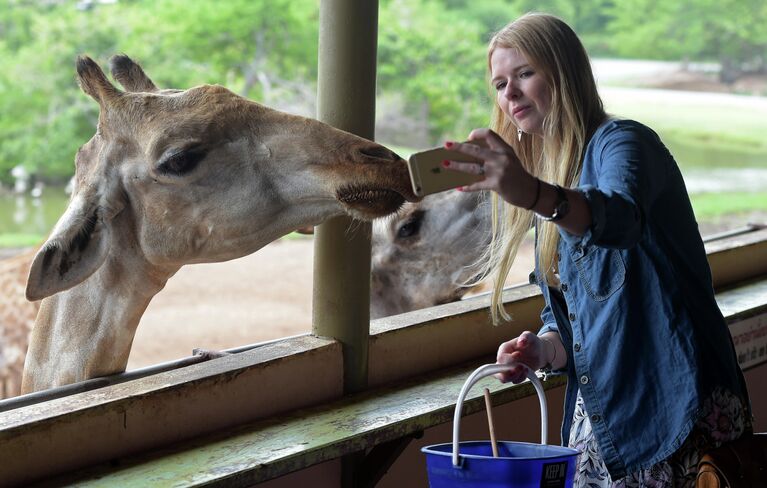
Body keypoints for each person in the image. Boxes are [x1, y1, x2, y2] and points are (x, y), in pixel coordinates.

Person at [442, 12, 752, 487]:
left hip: (674, 409)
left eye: (525, 73)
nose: (510, 93)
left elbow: (619, 219)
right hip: (605, 420)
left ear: (566, 74)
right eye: (500, 83)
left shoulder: (623, 143)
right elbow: (584, 324)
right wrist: (541, 350)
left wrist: (531, 193)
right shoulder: (558, 179)